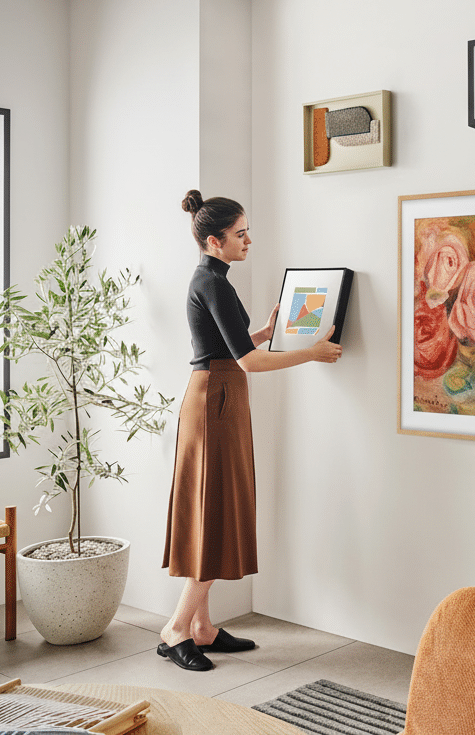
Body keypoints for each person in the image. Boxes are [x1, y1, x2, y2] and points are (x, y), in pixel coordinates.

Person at [158, 190, 342, 672]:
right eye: (240, 234)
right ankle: (178, 629)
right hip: (215, 400)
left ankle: (201, 628)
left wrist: (264, 330)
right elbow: (248, 362)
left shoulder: (214, 280)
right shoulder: (212, 283)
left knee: (215, 512)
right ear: (215, 240)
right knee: (213, 513)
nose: (249, 240)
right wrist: (312, 351)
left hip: (219, 397)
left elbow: (233, 345)